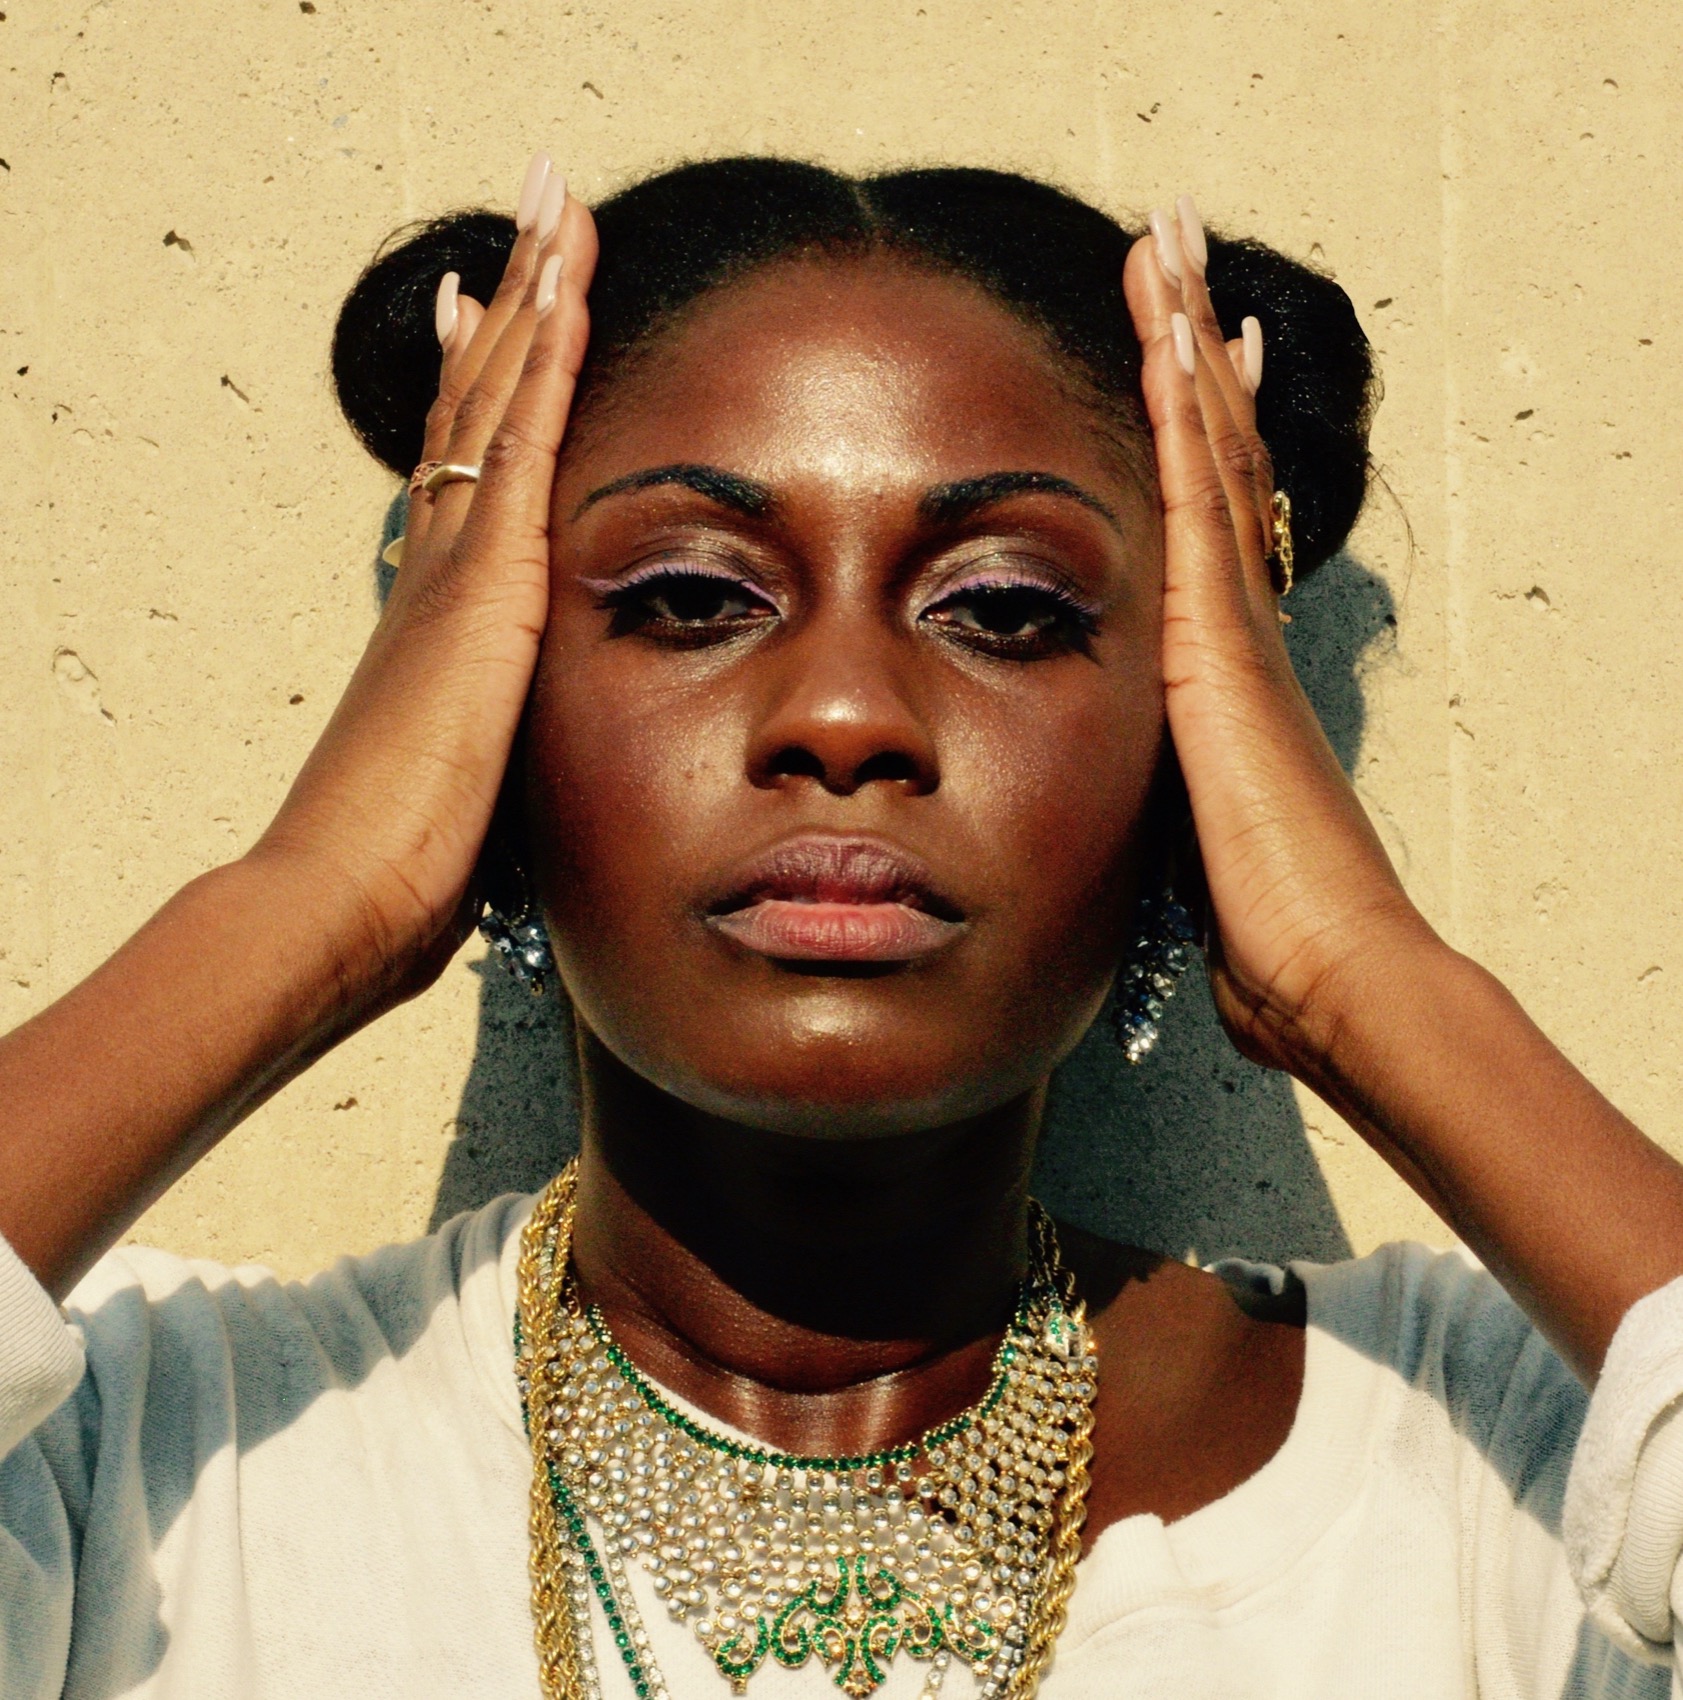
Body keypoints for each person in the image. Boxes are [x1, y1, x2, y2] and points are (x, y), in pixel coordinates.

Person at [2, 151, 1681, 1700]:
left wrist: (1359, 971)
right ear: (489, 699)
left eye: (1009, 611)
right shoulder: (148, 1469)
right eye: (689, 597)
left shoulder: (1506, 1484)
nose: (846, 713)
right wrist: (310, 897)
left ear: (1192, 722)